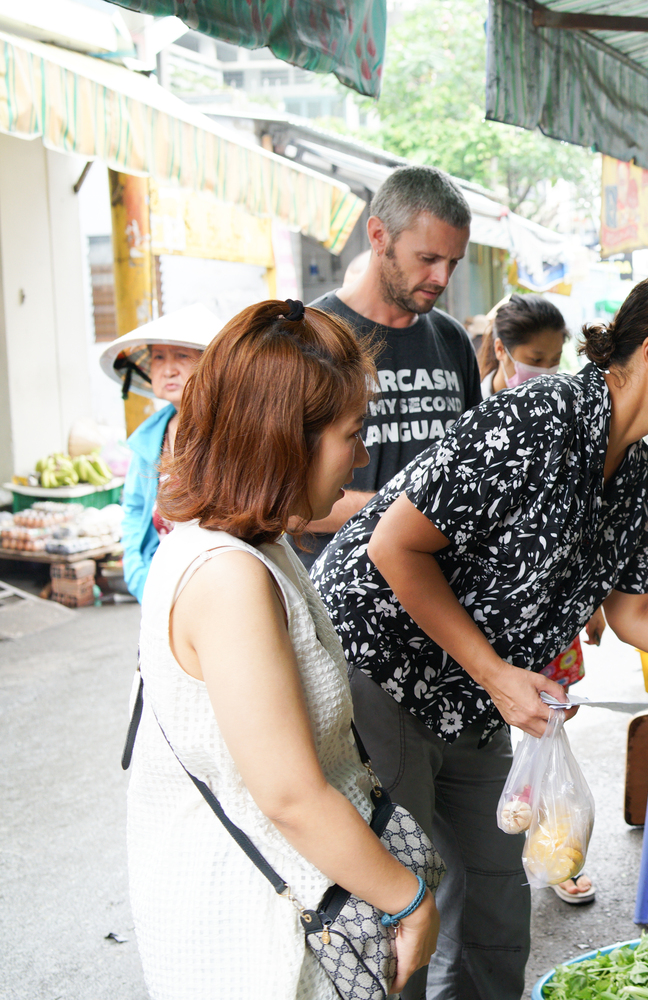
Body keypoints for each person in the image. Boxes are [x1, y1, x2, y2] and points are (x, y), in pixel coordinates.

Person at [312, 270, 648, 1000]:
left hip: (475, 692)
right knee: (404, 899)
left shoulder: (634, 469)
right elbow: (393, 547)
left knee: (499, 895)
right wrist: (497, 671)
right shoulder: (539, 416)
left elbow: (634, 614)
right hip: (381, 670)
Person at [126, 300, 438, 999]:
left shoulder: (253, 542)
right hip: (249, 933)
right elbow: (290, 793)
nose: (360, 456)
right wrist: (409, 899)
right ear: (283, 441)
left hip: (287, 898)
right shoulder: (228, 576)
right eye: (352, 435)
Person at [476, 292, 605, 903]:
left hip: (550, 614)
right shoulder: (477, 417)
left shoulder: (563, 413)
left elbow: (578, 521)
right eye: (534, 358)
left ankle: (556, 850)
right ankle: (502, 848)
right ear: (502, 351)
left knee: (547, 724)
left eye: (556, 359)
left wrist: (596, 598)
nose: (545, 370)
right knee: (491, 732)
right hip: (487, 617)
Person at [298, 165, 483, 570]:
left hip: (439, 595)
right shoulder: (311, 338)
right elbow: (283, 500)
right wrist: (411, 513)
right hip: (339, 596)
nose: (441, 277)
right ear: (379, 235)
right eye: (428, 258)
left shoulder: (453, 340)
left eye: (453, 262)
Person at [96, 304, 223, 602]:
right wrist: (139, 576)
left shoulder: (230, 430)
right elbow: (135, 509)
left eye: (181, 356)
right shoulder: (148, 438)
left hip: (219, 582)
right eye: (158, 357)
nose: (168, 368)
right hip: (161, 583)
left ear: (211, 365)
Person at [476, 293, 568, 398]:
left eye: (555, 359)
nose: (546, 371)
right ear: (500, 349)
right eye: (536, 359)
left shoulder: (561, 407)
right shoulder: (474, 406)